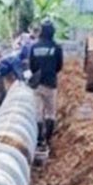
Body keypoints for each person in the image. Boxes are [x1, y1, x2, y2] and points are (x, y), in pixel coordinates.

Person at [28, 19, 63, 156]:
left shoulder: (34, 47)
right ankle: (48, 140)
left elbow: (31, 66)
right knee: (50, 113)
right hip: (51, 84)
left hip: (37, 84)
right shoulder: (57, 47)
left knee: (38, 113)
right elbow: (59, 66)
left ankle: (39, 139)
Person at [0, 31, 34, 113]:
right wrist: (26, 81)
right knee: (2, 93)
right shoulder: (16, 59)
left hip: (3, 71)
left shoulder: (18, 55)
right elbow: (19, 73)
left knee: (5, 89)